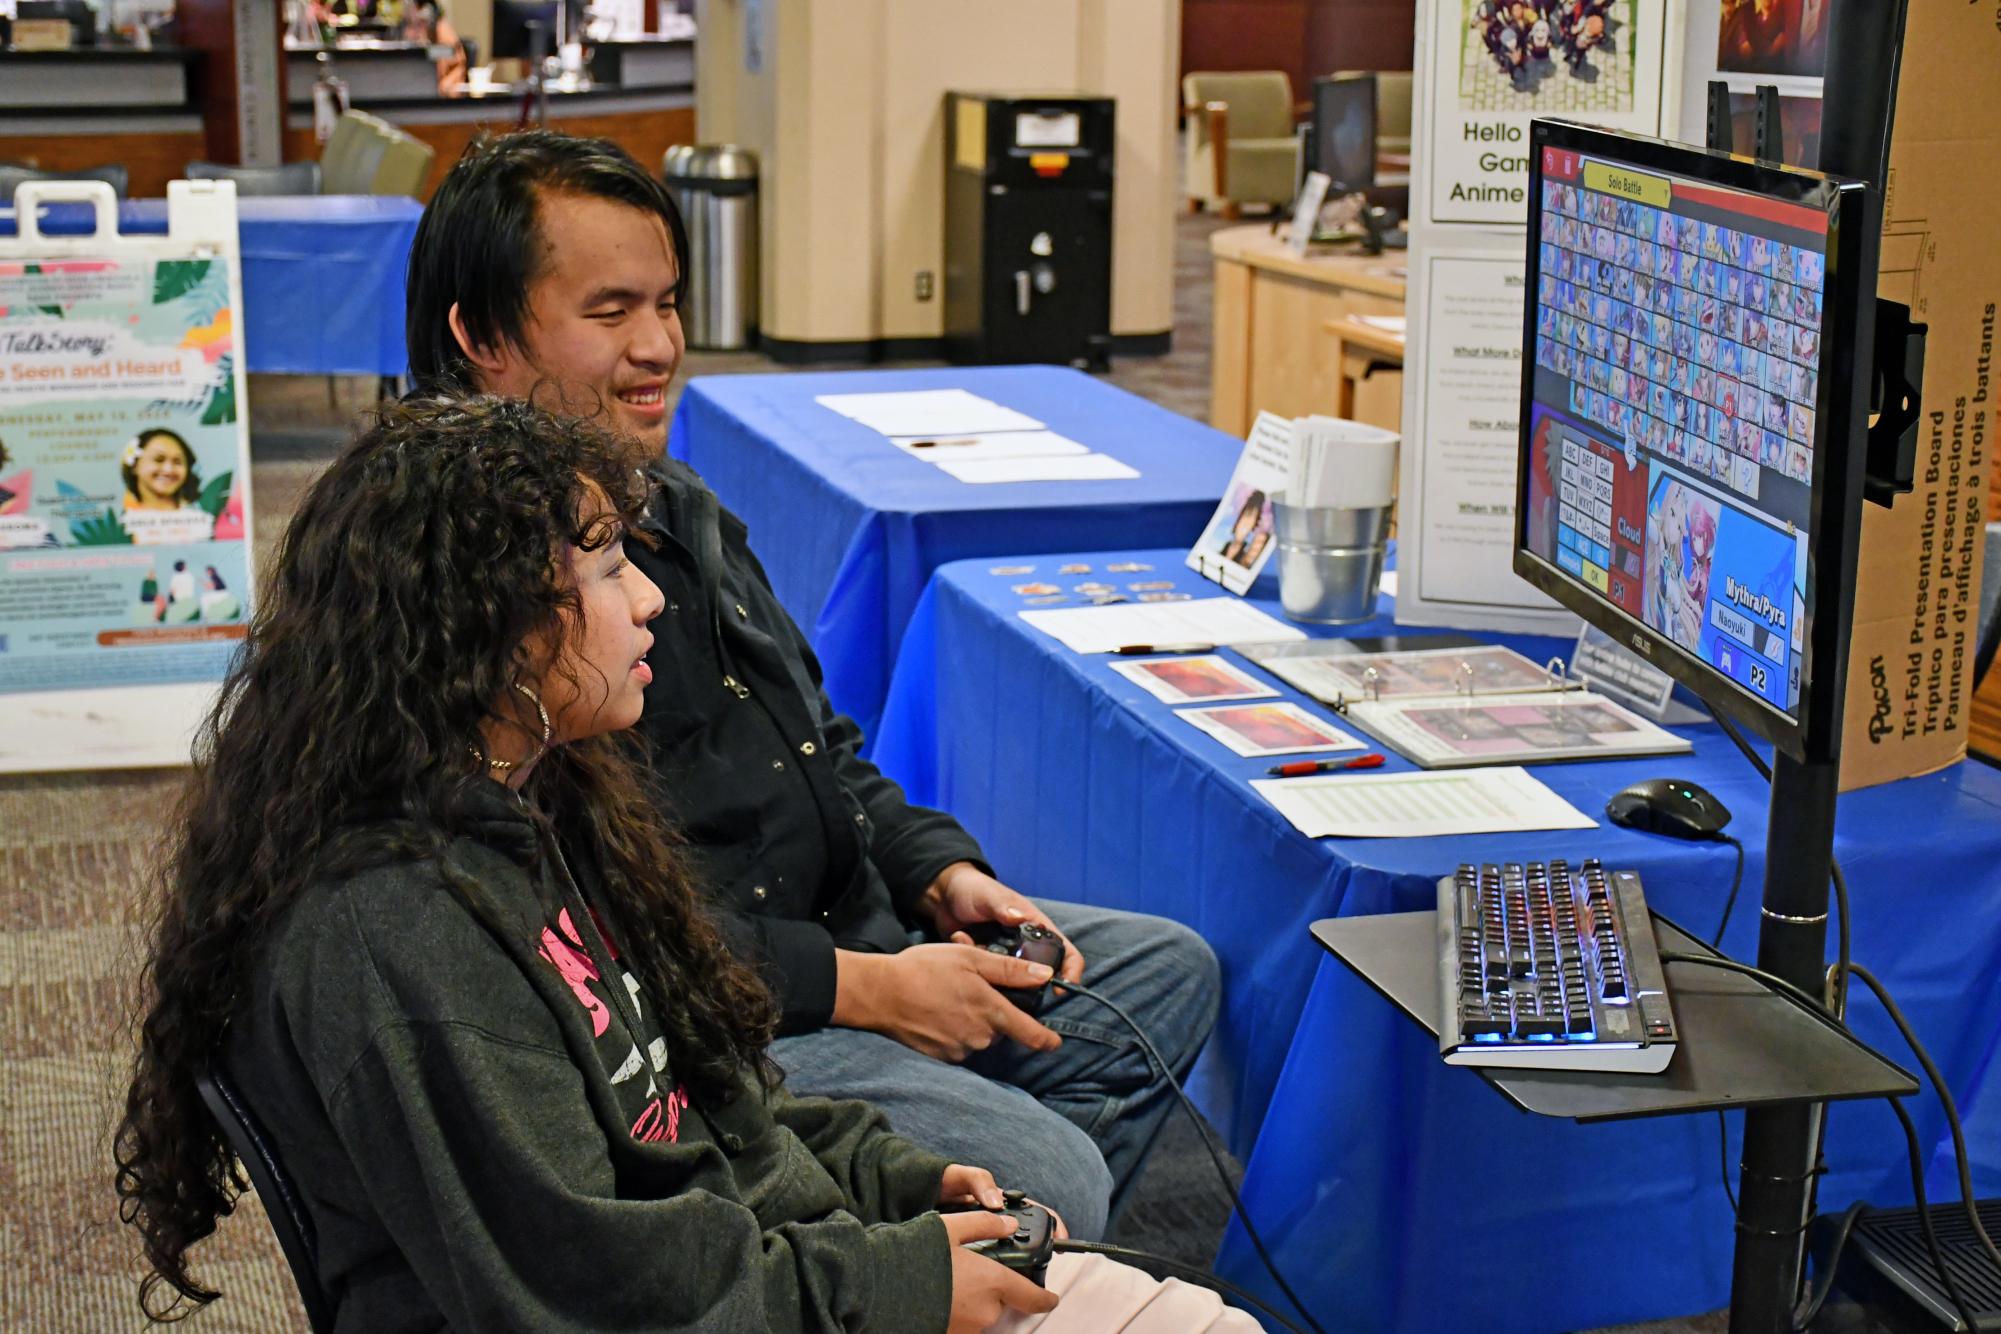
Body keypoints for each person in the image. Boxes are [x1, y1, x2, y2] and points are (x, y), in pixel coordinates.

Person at [402, 131, 1221, 1241]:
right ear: (481, 334)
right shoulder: (471, 595)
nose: (659, 347)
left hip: (850, 926)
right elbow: (576, 944)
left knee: (1166, 976)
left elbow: (818, 743)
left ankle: (939, 1232)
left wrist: (940, 872)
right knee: (1057, 1171)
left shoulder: (675, 503)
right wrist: (862, 989)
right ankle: (910, 1235)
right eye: (610, 312)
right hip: (719, 1012)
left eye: (670, 302)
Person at [113, 397, 1062, 1331]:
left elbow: (686, 1100)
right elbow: (596, 1294)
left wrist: (882, 1177)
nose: (650, 596)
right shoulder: (400, 936)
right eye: (609, 568)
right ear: (492, 621)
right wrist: (895, 1286)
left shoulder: (538, 805)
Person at [121, 428, 200, 512]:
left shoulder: (200, 516)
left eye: (177, 462)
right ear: (134, 466)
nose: (169, 470)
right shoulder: (121, 520)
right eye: (159, 460)